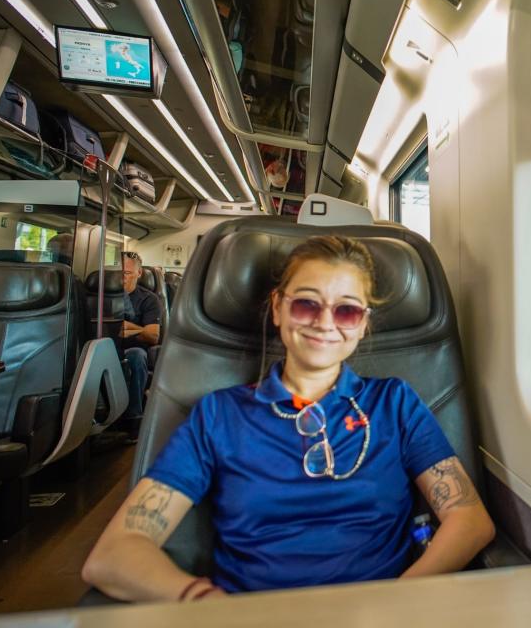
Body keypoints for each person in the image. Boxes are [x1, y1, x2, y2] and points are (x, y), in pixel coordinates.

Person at [82, 236, 495, 601]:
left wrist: (399, 599)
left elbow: (468, 519)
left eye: (347, 311)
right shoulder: (219, 415)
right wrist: (204, 603)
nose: (324, 322)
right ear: (278, 307)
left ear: (363, 324)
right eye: (306, 303)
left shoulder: (395, 403)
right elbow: (115, 553)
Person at [120, 251, 162, 420]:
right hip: (102, 348)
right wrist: (138, 330)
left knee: (136, 356)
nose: (121, 277)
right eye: (118, 272)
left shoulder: (148, 299)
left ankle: (134, 418)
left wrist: (128, 327)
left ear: (139, 273)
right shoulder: (101, 295)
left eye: (127, 273)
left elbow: (153, 335)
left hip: (132, 350)